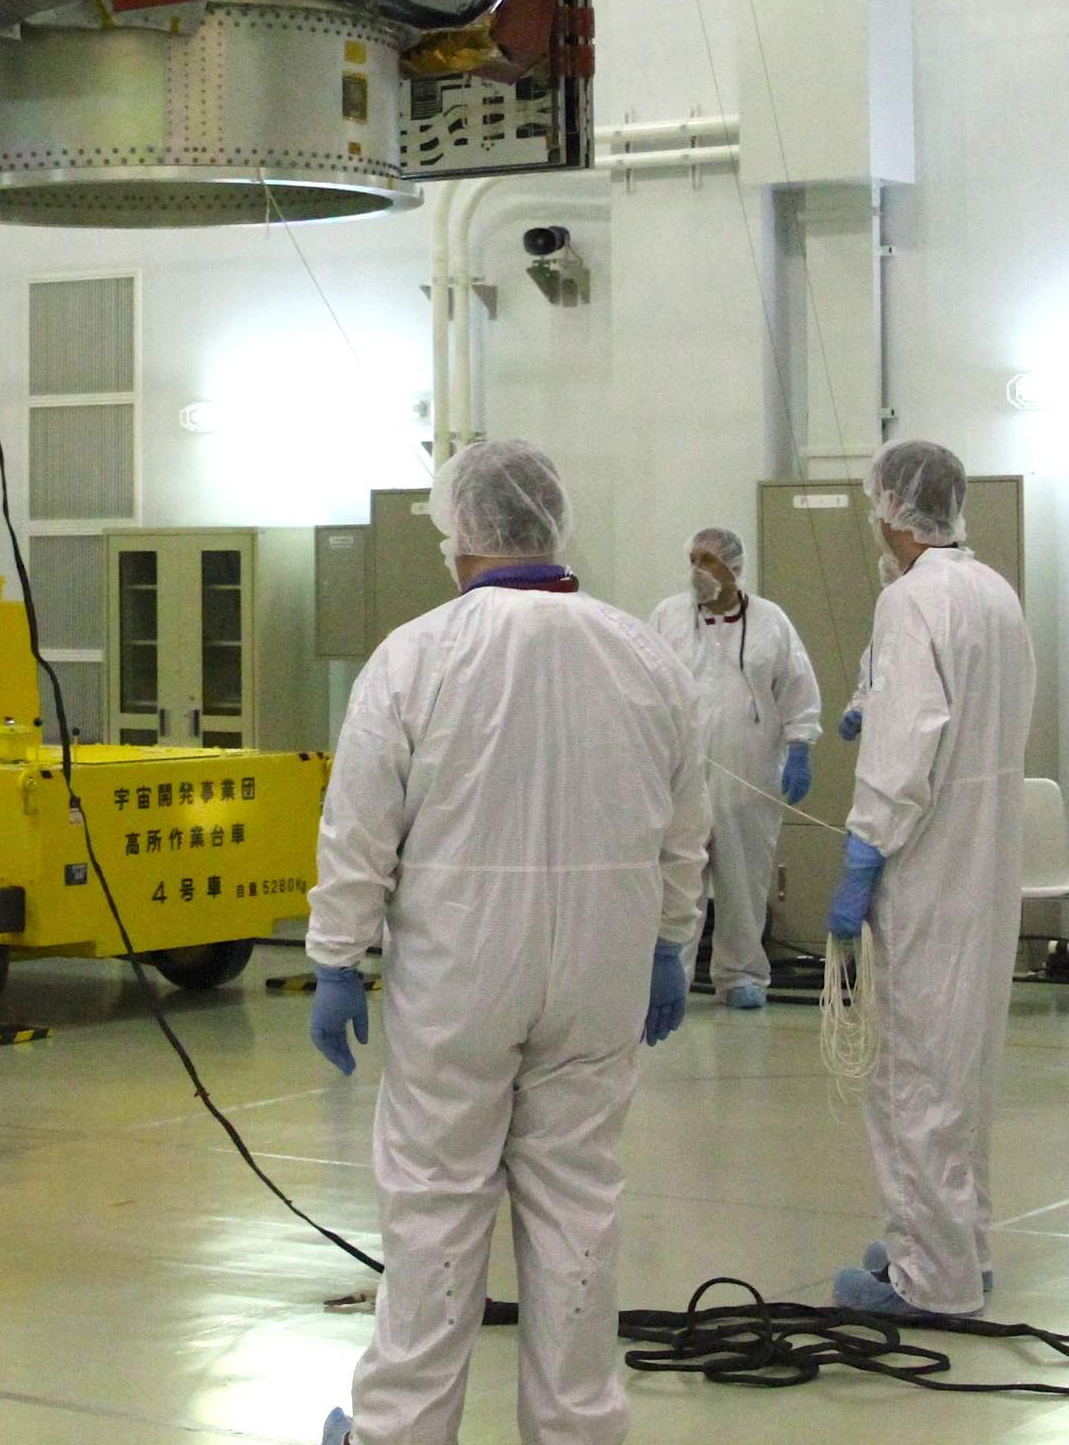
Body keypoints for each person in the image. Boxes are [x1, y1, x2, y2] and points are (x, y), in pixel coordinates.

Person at [307, 440, 708, 1445]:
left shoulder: (416, 656)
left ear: (461, 535)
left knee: (436, 1207)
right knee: (578, 1205)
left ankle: (400, 1432)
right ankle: (577, 1429)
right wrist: (670, 943)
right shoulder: (644, 655)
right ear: (553, 526)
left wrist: (337, 956)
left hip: (460, 976)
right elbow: (684, 829)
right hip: (601, 976)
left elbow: (359, 828)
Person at [822, 440, 1036, 1322]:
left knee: (914, 1073)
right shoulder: (991, 591)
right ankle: (952, 1240)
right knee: (958, 1071)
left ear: (893, 509)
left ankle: (931, 1277)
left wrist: (864, 849)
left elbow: (906, 749)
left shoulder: (910, 600)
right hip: (983, 859)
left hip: (927, 863)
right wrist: (873, 700)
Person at [647, 526, 820, 1011]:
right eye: (692, 559)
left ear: (733, 567)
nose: (697, 570)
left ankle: (741, 974)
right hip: (683, 775)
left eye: (708, 560)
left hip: (750, 771)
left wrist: (801, 745)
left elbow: (797, 688)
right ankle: (672, 977)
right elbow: (646, 684)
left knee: (745, 880)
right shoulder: (667, 617)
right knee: (679, 878)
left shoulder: (770, 621)